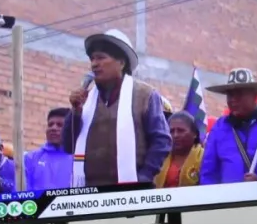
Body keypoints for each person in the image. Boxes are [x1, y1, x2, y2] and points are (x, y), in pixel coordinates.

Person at [61, 29, 172, 187]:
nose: (94, 64)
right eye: (92, 59)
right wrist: (76, 112)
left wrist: (144, 176)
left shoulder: (145, 95)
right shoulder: (86, 100)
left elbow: (162, 141)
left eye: (101, 58)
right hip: (90, 193)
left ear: (121, 62)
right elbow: (67, 145)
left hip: (134, 190)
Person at [199, 67, 257, 184]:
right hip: (228, 199)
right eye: (229, 95)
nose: (232, 100)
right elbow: (208, 172)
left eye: (239, 94)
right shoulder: (219, 127)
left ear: (254, 96)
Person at [24, 107, 73, 191]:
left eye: (60, 125)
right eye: (50, 124)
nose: (53, 128)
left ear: (70, 129)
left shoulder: (79, 159)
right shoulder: (30, 158)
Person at [154, 110, 204, 188]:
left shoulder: (205, 158)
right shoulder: (160, 156)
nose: (175, 135)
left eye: (181, 131)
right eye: (171, 131)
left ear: (194, 134)